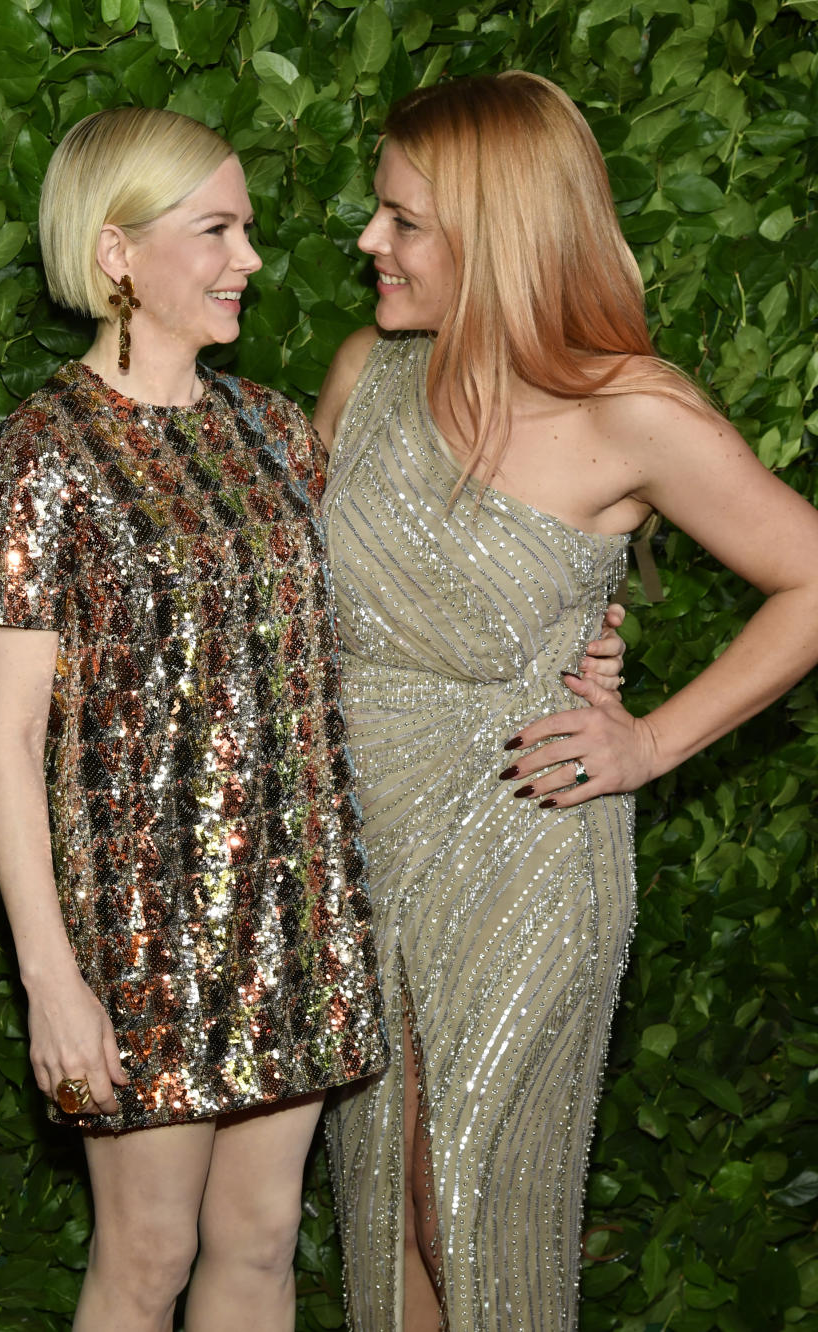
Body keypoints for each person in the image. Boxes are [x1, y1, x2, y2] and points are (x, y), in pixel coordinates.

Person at [313, 71, 818, 1332]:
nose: (370, 241)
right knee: (385, 1219)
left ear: (502, 231)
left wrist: (646, 739)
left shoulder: (630, 411)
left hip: (525, 841)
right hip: (357, 839)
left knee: (468, 1213)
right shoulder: (368, 371)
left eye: (403, 221)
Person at [0, 107, 392, 1332]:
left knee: (258, 1249)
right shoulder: (40, 459)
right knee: (146, 1254)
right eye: (216, 229)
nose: (250, 256)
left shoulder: (272, 433)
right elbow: (7, 743)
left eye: (246, 227)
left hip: (296, 909)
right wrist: (51, 978)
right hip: (139, 933)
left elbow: (389, 617)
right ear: (116, 254)